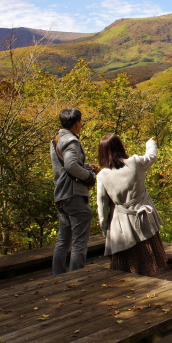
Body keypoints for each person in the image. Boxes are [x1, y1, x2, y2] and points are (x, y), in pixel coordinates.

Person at [97, 134, 168, 276]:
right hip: (144, 222)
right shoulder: (135, 163)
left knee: (125, 271)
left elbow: (102, 207)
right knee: (150, 265)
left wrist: (106, 230)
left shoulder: (103, 176)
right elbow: (151, 156)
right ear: (120, 147)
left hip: (122, 228)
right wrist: (150, 143)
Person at [50, 108, 99, 275]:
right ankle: (76, 280)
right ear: (76, 122)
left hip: (61, 195)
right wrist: (89, 177)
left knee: (63, 241)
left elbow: (65, 165)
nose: (81, 124)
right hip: (74, 195)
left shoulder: (57, 139)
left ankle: (58, 278)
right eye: (80, 121)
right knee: (79, 242)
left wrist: (85, 166)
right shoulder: (72, 141)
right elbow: (70, 165)